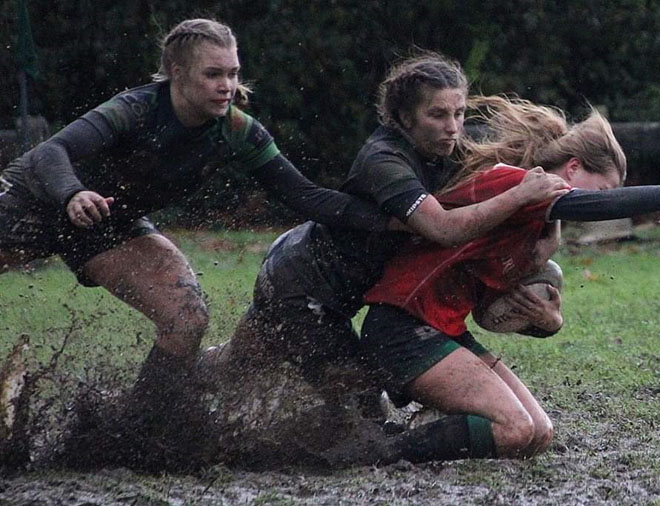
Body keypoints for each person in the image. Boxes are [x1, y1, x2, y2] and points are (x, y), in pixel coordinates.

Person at [0, 18, 406, 420]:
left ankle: (137, 427)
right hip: (33, 199)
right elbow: (48, 153)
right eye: (213, 74)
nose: (226, 85)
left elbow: (306, 197)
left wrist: (398, 219)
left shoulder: (238, 131)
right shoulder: (137, 109)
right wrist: (73, 193)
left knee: (186, 317)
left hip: (109, 223)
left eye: (233, 73)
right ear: (178, 73)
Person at [358, 95, 660, 464]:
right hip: (402, 326)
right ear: (573, 168)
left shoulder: (532, 231)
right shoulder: (514, 183)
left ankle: (429, 426)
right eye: (603, 188)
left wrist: (546, 323)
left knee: (538, 434)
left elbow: (489, 313)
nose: (604, 201)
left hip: (444, 330)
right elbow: (598, 207)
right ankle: (377, 452)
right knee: (515, 429)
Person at [217, 53, 567, 384]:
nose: (452, 127)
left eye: (459, 113)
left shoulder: (446, 144)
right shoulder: (384, 161)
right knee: (356, 402)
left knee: (237, 366)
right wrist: (521, 195)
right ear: (404, 117)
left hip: (317, 277)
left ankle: (193, 380)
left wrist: (552, 228)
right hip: (302, 284)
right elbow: (444, 229)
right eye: (438, 115)